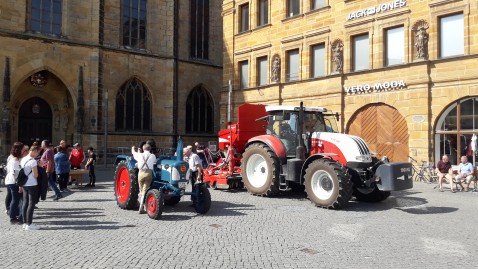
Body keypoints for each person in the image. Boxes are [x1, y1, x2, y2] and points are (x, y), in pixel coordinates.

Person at [132, 143, 156, 213]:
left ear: (143, 148)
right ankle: (142, 207)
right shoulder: (152, 156)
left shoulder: (140, 155)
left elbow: (133, 153)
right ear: (150, 149)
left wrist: (133, 147)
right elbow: (154, 162)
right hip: (148, 173)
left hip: (141, 173)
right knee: (145, 190)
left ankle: (141, 206)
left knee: (141, 190)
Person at [20, 145, 41, 230]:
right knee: (31, 203)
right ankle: (29, 223)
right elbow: (35, 174)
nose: (37, 154)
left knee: (25, 202)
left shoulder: (23, 159)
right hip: (32, 184)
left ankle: (25, 222)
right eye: (37, 152)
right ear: (34, 151)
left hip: (24, 183)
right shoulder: (33, 161)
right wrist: (39, 166)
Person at [5, 142, 24, 224]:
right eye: (22, 149)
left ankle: (16, 215)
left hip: (12, 181)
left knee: (16, 199)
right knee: (15, 199)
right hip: (14, 181)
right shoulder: (15, 160)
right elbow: (15, 173)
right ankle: (12, 218)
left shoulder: (15, 159)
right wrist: (20, 184)